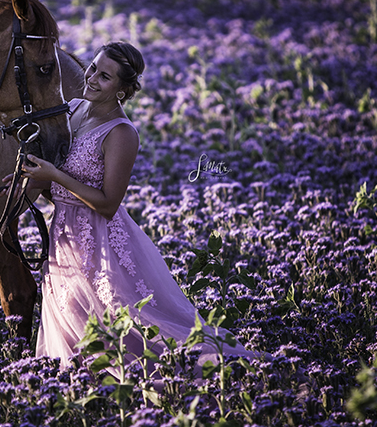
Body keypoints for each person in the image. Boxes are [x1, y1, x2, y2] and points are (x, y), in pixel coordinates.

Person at [20, 41, 262, 371]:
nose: (91, 78)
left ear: (122, 90)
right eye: (92, 68)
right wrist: (27, 180)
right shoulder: (73, 109)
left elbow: (107, 204)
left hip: (101, 242)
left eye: (104, 77)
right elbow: (51, 172)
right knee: (70, 316)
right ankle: (80, 390)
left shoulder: (121, 133)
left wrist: (54, 176)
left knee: (125, 320)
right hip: (64, 238)